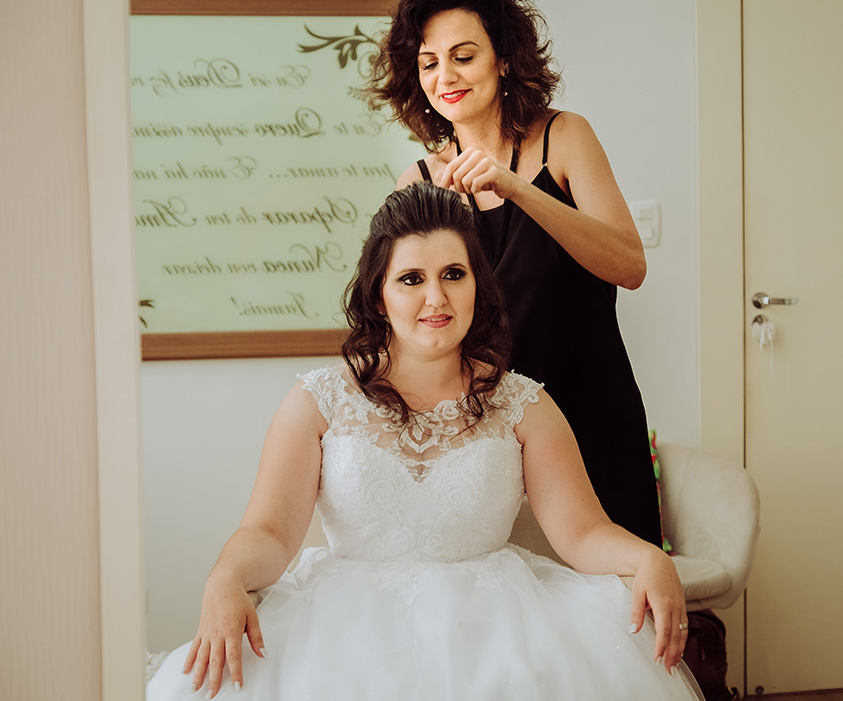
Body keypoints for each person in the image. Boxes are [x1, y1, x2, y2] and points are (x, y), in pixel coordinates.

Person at [145, 183, 703, 700]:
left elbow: (582, 533)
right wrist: (227, 578)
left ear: (478, 286)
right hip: (341, 631)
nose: (435, 297)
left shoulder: (525, 404)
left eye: (453, 274)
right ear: (379, 295)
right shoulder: (318, 400)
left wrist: (649, 558)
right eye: (412, 279)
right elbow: (268, 531)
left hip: (497, 627)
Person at [365, 0, 664, 547]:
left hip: (590, 414)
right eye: (429, 63)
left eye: (463, 55)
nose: (444, 76)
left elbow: (629, 264)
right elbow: (396, 319)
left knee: (609, 613)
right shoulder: (419, 181)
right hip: (483, 440)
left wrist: (516, 188)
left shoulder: (565, 137)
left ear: (503, 58)